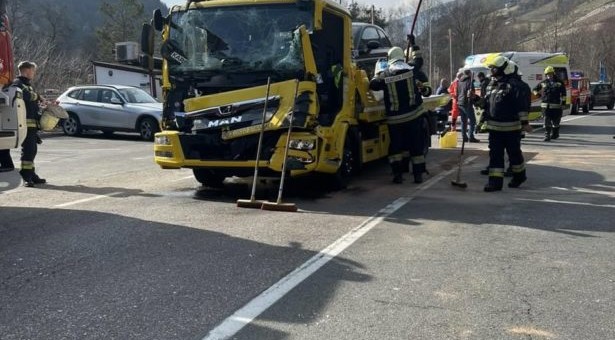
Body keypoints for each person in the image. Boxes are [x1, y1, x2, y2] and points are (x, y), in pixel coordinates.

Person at [370, 46, 429, 184]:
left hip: (395, 120)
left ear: (389, 59)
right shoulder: (411, 69)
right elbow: (419, 60)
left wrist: (377, 73)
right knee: (416, 146)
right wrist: (414, 46)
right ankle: (418, 175)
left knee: (396, 148)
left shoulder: (385, 75)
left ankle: (398, 175)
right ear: (402, 57)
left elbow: (373, 85)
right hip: (413, 116)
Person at [482, 56, 532, 192]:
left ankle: (519, 176)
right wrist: (475, 100)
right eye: (491, 68)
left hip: (511, 128)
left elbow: (521, 105)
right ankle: (494, 183)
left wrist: (525, 123)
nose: (491, 70)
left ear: (504, 68)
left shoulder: (514, 85)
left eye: (494, 68)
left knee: (514, 154)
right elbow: (486, 104)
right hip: (494, 128)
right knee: (495, 155)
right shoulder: (491, 85)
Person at [12, 61, 46, 187]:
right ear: (27, 70)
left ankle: (31, 173)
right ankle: (26, 175)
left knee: (32, 150)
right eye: (33, 70)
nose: (34, 73)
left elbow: (32, 102)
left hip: (32, 124)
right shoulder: (17, 84)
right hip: (24, 124)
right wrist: (37, 96)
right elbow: (26, 96)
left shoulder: (28, 85)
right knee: (28, 151)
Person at [532, 66, 566, 141]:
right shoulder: (543, 83)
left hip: (556, 106)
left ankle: (555, 134)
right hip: (545, 106)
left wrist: (563, 103)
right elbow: (534, 89)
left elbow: (564, 94)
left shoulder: (559, 83)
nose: (549, 76)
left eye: (550, 74)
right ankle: (547, 135)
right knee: (546, 121)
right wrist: (538, 95)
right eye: (547, 74)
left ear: (553, 74)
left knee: (556, 122)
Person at [456, 69, 480, 143]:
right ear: (469, 74)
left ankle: (464, 136)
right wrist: (477, 99)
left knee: (464, 121)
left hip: (460, 102)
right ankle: (471, 136)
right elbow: (471, 94)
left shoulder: (460, 81)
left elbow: (458, 92)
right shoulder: (469, 82)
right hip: (467, 103)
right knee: (473, 120)